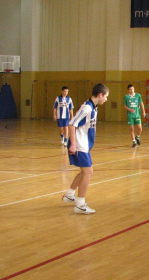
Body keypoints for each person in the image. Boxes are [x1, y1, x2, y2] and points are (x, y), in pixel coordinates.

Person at [62, 83, 109, 214]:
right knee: (88, 172)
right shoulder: (87, 108)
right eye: (106, 96)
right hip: (79, 145)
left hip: (84, 145)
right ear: (100, 95)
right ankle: (80, 204)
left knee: (84, 172)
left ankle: (69, 195)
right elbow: (71, 124)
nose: (106, 99)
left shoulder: (93, 108)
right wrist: (73, 144)